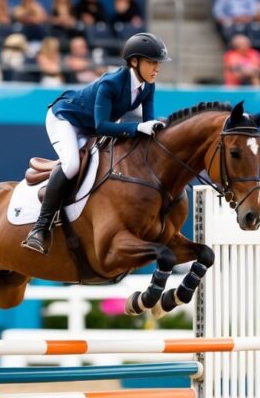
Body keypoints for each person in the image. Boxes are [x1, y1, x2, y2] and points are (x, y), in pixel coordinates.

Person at [22, 33, 170, 254]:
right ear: (134, 62)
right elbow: (102, 126)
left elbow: (148, 121)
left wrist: (157, 128)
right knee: (72, 165)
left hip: (92, 125)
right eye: (151, 62)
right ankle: (39, 229)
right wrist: (137, 127)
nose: (156, 68)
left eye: (158, 63)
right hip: (66, 119)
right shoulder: (111, 83)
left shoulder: (148, 86)